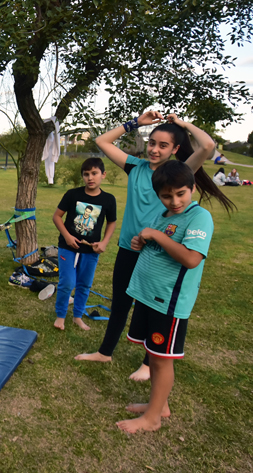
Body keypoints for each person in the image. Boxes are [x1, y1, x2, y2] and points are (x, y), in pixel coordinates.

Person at [75, 112, 234, 381]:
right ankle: (105, 352)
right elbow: (103, 141)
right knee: (121, 302)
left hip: (157, 253)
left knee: (151, 307)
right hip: (129, 247)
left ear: (175, 149)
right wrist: (135, 123)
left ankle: (149, 364)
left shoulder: (178, 174)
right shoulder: (135, 167)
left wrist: (184, 125)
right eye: (152, 143)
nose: (155, 149)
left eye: (163, 145)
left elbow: (207, 147)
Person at [116, 160, 214, 433]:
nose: (174, 201)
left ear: (192, 188)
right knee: (153, 353)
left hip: (168, 303)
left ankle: (153, 418)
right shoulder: (163, 215)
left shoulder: (199, 217)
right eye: (166, 196)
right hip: (149, 296)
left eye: (180, 193)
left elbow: (192, 258)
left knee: (161, 359)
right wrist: (141, 241)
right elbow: (154, 243)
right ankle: (160, 406)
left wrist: (157, 236)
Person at [52, 158, 117, 331]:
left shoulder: (108, 199)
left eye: (94, 173)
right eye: (86, 174)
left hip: (91, 250)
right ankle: (60, 316)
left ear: (103, 175)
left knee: (84, 284)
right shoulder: (73, 194)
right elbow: (57, 216)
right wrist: (66, 236)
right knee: (67, 282)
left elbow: (112, 222)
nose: (90, 178)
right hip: (68, 247)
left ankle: (78, 316)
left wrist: (104, 242)